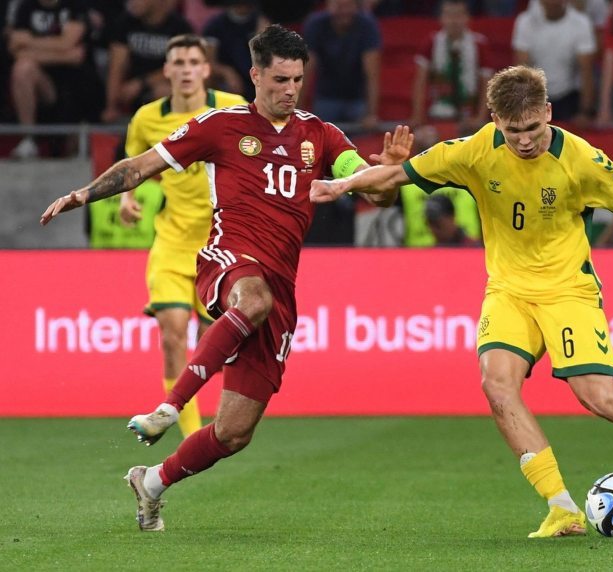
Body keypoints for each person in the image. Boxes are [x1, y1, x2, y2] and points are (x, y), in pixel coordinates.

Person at [311, 65, 613, 538]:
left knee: (602, 400)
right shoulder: (473, 151)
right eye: (514, 132)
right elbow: (397, 175)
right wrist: (342, 184)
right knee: (497, 385)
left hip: (568, 290)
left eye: (534, 128)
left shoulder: (583, 160)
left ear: (548, 113)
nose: (526, 140)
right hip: (508, 291)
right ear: (495, 121)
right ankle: (562, 507)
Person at [40, 24, 413, 532]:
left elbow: (373, 192)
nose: (289, 89)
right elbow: (143, 165)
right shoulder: (218, 125)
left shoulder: (320, 135)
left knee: (235, 432)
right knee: (252, 298)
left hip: (281, 285)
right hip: (227, 258)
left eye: (298, 79)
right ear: (255, 75)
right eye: (280, 79)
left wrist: (389, 172)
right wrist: (84, 194)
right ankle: (168, 409)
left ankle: (151, 482)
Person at [119, 34, 247, 440]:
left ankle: (213, 417)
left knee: (214, 343)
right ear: (167, 70)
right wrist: (128, 197)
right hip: (171, 244)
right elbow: (134, 166)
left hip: (218, 247)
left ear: (206, 69)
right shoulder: (146, 119)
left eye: (195, 61)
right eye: (180, 62)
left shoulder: (231, 107)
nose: (187, 69)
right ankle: (187, 430)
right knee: (172, 336)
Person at [7, 0, 103, 159]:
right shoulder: (25, 7)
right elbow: (16, 49)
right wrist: (64, 54)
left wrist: (29, 42)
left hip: (78, 84)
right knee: (22, 68)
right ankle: (29, 140)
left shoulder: (76, 5)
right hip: (44, 86)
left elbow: (71, 46)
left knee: (80, 87)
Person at [101, 0, 192, 123]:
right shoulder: (124, 23)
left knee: (164, 91)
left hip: (165, 88)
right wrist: (111, 106)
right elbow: (116, 67)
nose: (132, 3)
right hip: (130, 93)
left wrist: (142, 83)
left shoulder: (179, 28)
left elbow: (181, 67)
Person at [410, 0, 494, 134]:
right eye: (449, 15)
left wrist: (479, 118)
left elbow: (487, 84)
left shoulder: (480, 44)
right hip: (438, 114)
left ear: (467, 18)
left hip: (469, 116)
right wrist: (418, 116)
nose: (454, 21)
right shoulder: (431, 42)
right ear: (441, 18)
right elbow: (420, 82)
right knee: (422, 138)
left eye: (458, 15)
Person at [512, 0, 596, 123]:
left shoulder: (581, 23)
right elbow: (521, 70)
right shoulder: (525, 22)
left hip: (569, 95)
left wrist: (585, 111)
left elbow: (586, 70)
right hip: (535, 95)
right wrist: (521, 109)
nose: (552, 3)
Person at [302, 0, 382, 130]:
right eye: (339, 6)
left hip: (357, 98)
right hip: (326, 96)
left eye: (348, 6)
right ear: (328, 6)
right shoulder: (315, 24)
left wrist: (371, 114)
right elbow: (306, 70)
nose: (344, 11)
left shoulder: (368, 25)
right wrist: (295, 111)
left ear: (357, 7)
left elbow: (372, 74)